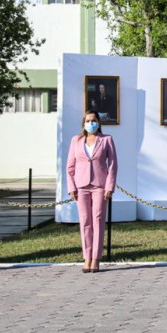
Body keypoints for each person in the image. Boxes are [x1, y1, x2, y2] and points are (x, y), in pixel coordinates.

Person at [66, 110, 118, 273]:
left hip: (99, 186)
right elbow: (70, 166)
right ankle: (86, 257)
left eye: (94, 120)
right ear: (83, 123)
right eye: (88, 121)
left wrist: (109, 187)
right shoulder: (76, 140)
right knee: (85, 221)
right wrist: (71, 187)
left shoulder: (106, 140)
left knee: (98, 221)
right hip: (81, 186)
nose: (91, 123)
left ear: (99, 122)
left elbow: (113, 165)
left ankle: (96, 258)